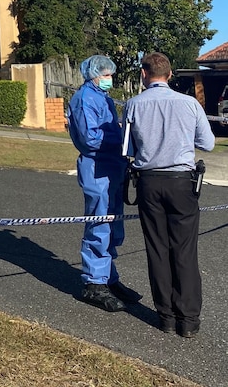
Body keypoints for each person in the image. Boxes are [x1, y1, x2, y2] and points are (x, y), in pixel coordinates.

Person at [123, 52, 215, 337]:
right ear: (170, 75)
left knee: (158, 250)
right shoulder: (189, 104)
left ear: (143, 74)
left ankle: (165, 316)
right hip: (181, 181)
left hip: (149, 182)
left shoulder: (133, 105)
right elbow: (208, 143)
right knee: (185, 251)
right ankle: (188, 320)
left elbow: (126, 149)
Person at [68, 55, 141, 312]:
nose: (109, 78)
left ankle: (108, 277)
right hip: (97, 167)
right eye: (106, 74)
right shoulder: (85, 98)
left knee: (113, 225)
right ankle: (94, 283)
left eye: (111, 74)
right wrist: (120, 138)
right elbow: (90, 138)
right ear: (93, 74)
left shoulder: (103, 97)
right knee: (99, 223)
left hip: (113, 167)